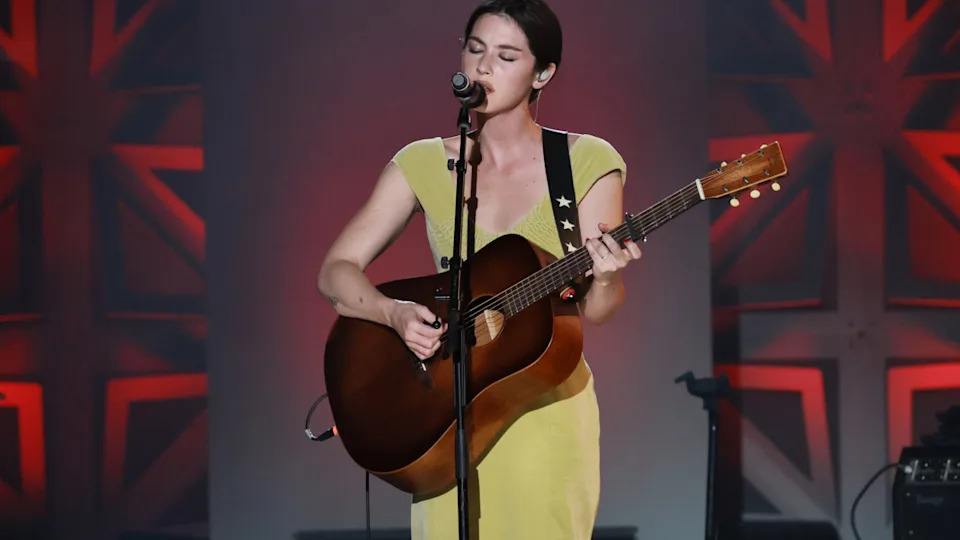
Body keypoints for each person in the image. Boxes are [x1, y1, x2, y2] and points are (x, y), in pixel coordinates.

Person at [317, 0, 642, 537]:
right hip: (444, 412)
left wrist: (606, 275)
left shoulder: (583, 161)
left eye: (507, 55)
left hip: (543, 405)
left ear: (543, 73)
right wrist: (392, 313)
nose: (485, 67)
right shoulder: (421, 162)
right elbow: (336, 271)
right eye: (476, 49)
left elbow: (598, 310)